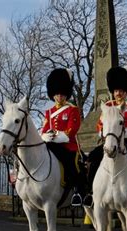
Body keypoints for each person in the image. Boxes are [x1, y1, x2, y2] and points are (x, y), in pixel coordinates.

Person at [86, 66, 127, 206]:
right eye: (116, 91)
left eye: (121, 91)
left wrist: (120, 134)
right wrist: (103, 133)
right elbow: (100, 125)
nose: (118, 93)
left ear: (126, 91)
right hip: (110, 141)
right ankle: (89, 192)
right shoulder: (108, 106)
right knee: (94, 158)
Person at [41, 68, 86, 207]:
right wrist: (45, 136)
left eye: (62, 94)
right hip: (51, 145)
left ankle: (78, 191)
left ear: (66, 94)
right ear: (53, 94)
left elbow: (71, 131)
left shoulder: (73, 110)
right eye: (57, 93)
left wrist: (54, 136)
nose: (60, 96)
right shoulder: (49, 112)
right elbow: (43, 130)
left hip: (68, 146)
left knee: (71, 165)